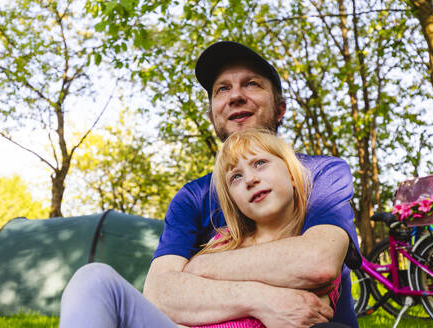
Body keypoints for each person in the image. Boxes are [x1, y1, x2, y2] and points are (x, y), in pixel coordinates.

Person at [59, 41, 361, 328]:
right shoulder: (193, 197)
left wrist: (198, 271)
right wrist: (262, 299)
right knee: (93, 280)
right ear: (213, 114)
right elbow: (160, 292)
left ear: (280, 108)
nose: (235, 96)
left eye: (251, 84)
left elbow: (317, 262)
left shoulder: (321, 171)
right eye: (222, 89)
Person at [191, 128, 341, 328]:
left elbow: (309, 313)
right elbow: (186, 291)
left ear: (292, 175)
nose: (250, 180)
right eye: (236, 177)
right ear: (234, 201)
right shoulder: (223, 242)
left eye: (260, 163)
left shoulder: (312, 243)